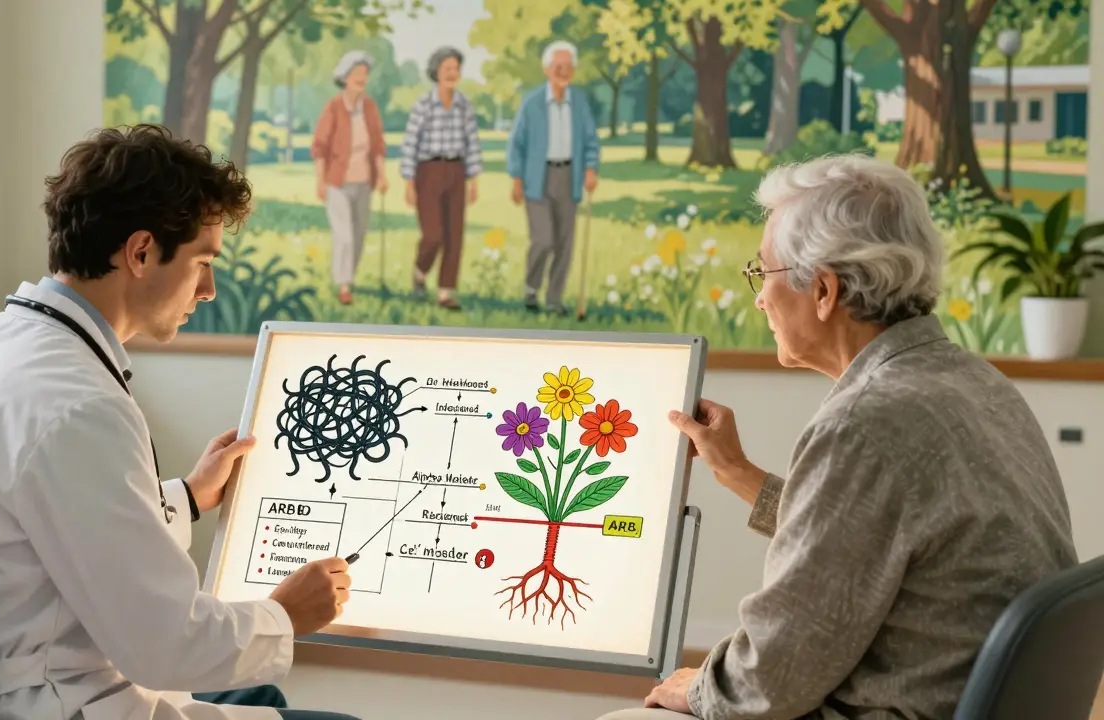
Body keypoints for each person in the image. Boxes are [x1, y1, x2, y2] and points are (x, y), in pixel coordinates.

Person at [0, 124, 358, 720]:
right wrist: (285, 615)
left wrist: (187, 497)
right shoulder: (82, 405)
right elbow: (166, 645)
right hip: (49, 703)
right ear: (140, 252)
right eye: (202, 262)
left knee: (256, 696)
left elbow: (45, 525)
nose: (209, 289)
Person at [597, 154, 1078, 720]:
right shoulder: (976, 383)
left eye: (763, 273)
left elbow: (768, 682)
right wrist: (738, 472)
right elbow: (869, 538)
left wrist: (702, 687)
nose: (758, 298)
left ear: (824, 291)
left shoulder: (862, 423)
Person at [506, 40, 600, 315]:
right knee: (543, 239)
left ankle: (554, 299)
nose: (564, 71)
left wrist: (590, 169)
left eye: (568, 66)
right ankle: (532, 287)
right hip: (538, 177)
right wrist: (516, 179)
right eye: (558, 66)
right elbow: (517, 143)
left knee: (564, 242)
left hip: (568, 175)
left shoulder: (579, 102)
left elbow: (590, 140)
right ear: (547, 69)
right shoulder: (532, 102)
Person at [399, 45, 482, 311]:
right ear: (436, 71)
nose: (452, 73)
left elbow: (472, 143)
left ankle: (445, 292)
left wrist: (473, 181)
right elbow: (410, 144)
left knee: (454, 235)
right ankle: (420, 273)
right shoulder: (423, 104)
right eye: (447, 68)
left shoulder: (464, 105)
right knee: (433, 234)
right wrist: (409, 183)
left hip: (456, 171)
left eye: (456, 68)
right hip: (428, 171)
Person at [312, 49, 388, 306]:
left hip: (364, 180)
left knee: (359, 234)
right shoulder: (333, 107)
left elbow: (378, 143)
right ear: (344, 77)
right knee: (344, 235)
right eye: (356, 73)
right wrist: (320, 181)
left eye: (364, 74)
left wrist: (382, 174)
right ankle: (343, 284)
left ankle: (349, 278)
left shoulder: (370, 107)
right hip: (338, 182)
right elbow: (320, 146)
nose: (361, 78)